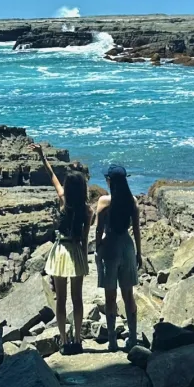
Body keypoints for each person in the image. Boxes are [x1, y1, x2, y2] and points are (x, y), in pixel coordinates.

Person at [34, 143, 90, 355]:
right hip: (75, 252)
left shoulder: (62, 200)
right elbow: (85, 240)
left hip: (60, 252)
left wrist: (41, 155)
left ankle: (64, 340)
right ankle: (78, 339)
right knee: (77, 299)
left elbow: (51, 176)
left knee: (61, 299)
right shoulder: (87, 210)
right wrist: (84, 261)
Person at [94, 162, 142, 351]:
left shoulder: (105, 201)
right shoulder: (132, 201)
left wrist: (98, 248)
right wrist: (139, 252)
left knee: (110, 295)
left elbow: (99, 228)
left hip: (111, 246)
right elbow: (137, 229)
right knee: (128, 295)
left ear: (109, 180)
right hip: (127, 246)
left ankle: (113, 340)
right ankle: (132, 337)